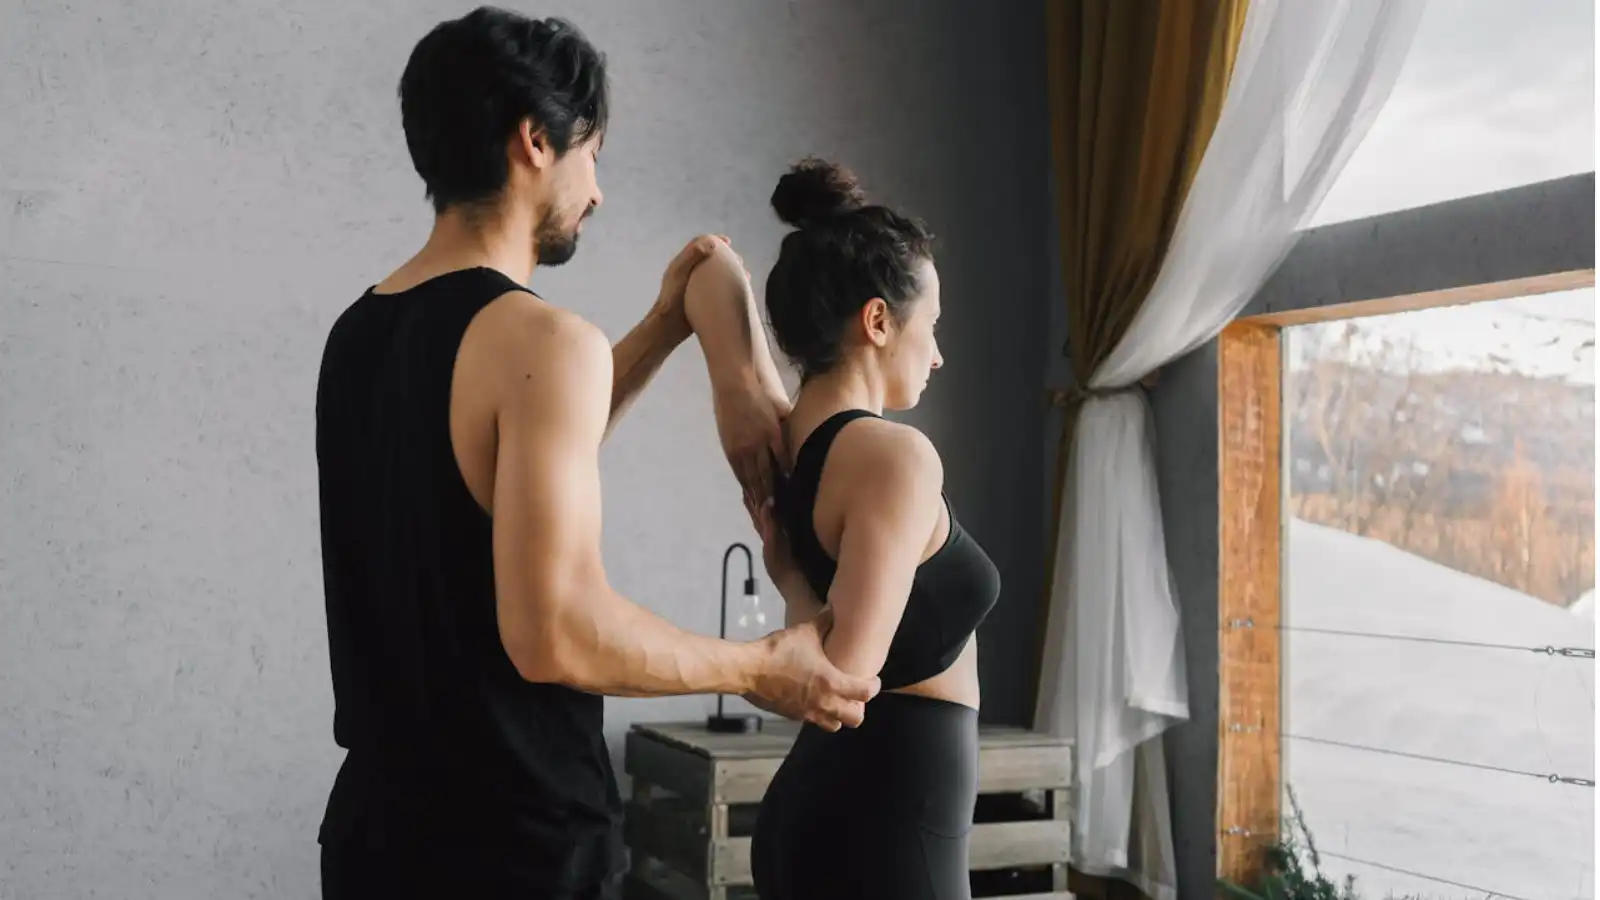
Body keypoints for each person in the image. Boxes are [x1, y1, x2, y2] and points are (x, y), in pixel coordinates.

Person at [312, 10, 879, 900]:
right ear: (535, 142)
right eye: (592, 154)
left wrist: (662, 327)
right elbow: (556, 634)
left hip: (374, 837)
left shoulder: (359, 331)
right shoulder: (541, 339)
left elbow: (492, 468)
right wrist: (762, 666)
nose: (599, 191)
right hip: (513, 847)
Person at [746, 158, 1003, 900]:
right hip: (887, 833)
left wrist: (790, 578)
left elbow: (828, 647)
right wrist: (790, 579)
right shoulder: (896, 456)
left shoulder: (788, 441)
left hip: (842, 816)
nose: (940, 353)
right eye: (933, 327)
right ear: (879, 320)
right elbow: (844, 679)